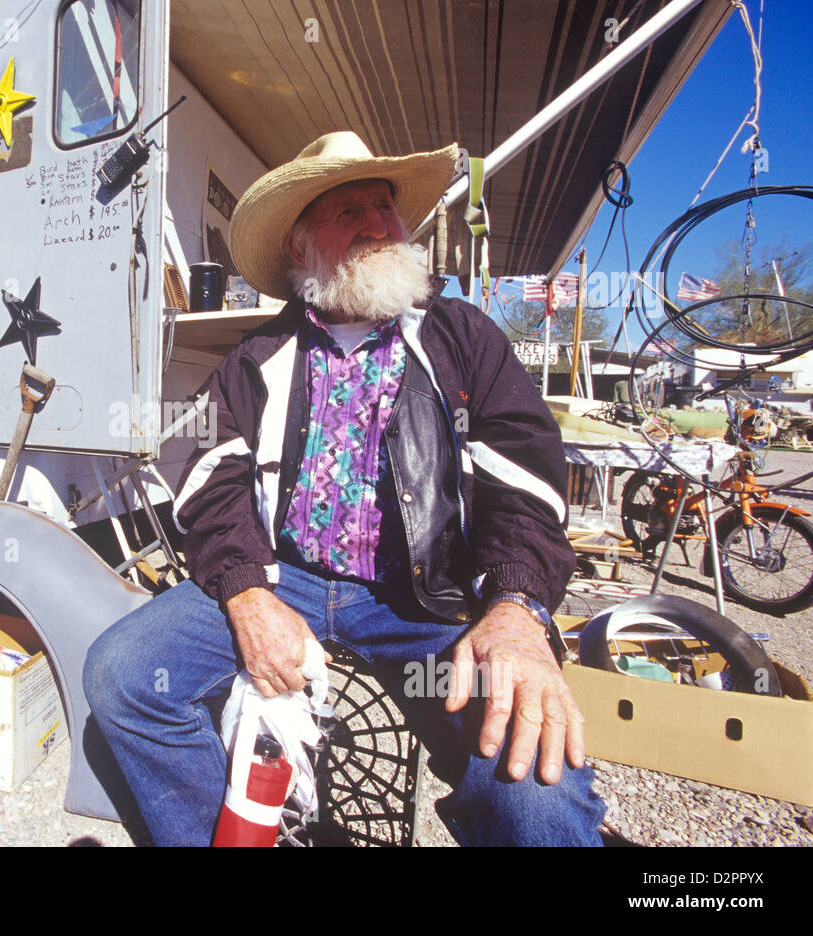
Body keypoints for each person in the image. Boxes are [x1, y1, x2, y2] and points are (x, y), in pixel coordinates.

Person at [84, 132, 605, 846]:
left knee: (535, 795)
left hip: (429, 602)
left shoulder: (463, 337)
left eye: (384, 207)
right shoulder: (258, 356)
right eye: (347, 208)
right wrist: (246, 591)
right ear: (301, 248)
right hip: (285, 578)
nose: (376, 222)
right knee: (124, 675)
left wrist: (516, 608)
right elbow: (206, 474)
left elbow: (527, 477)